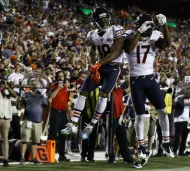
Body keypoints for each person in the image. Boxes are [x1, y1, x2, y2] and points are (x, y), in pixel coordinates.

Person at [123, 13, 173, 168]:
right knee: (139, 116)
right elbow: (130, 48)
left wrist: (164, 26)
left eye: (151, 27)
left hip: (150, 79)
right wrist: (139, 32)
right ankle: (142, 147)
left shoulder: (154, 35)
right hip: (135, 80)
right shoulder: (129, 35)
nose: (149, 30)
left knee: (162, 110)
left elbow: (166, 44)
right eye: (147, 27)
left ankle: (166, 141)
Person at [73, 6, 125, 140]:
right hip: (100, 66)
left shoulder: (116, 29)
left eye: (106, 18)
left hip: (113, 66)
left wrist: (98, 64)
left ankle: (92, 124)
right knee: (83, 91)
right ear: (95, 20)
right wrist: (92, 66)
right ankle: (73, 122)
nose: (104, 21)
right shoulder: (92, 34)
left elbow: (116, 52)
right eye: (101, 19)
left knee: (103, 94)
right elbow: (91, 51)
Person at [18, 79, 49, 165]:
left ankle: (34, 157)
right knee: (25, 140)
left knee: (35, 141)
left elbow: (47, 107)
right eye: (33, 84)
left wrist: (49, 100)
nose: (34, 86)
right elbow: (20, 105)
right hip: (27, 120)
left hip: (38, 121)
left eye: (36, 84)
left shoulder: (41, 96)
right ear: (30, 85)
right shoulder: (26, 95)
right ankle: (22, 158)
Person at [48, 70, 72, 162]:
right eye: (59, 76)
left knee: (63, 135)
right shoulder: (53, 86)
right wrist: (58, 88)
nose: (61, 78)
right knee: (53, 134)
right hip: (55, 113)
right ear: (56, 78)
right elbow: (51, 97)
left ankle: (62, 156)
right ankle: (50, 155)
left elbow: (66, 102)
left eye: (62, 76)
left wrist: (68, 114)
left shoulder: (66, 88)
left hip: (63, 114)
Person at [0, 79, 17, 167]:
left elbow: (15, 95)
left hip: (6, 117)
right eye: (1, 83)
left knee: (5, 139)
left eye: (3, 83)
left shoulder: (8, 91)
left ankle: (5, 159)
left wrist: (8, 87)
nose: (2, 84)